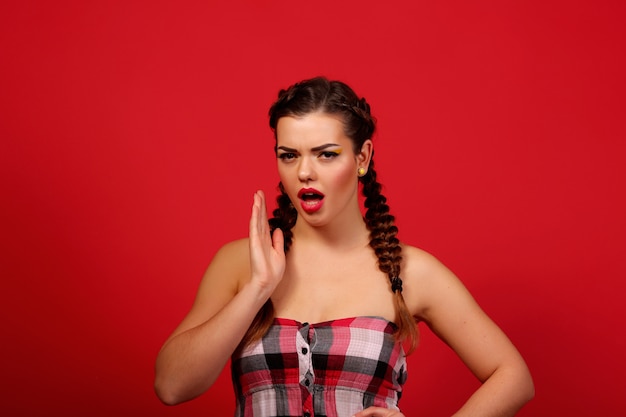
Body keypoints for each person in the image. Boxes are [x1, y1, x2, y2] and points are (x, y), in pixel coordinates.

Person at [154, 76, 534, 416]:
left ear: (362, 157)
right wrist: (257, 289)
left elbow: (513, 377)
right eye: (289, 155)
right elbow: (172, 387)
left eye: (326, 154)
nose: (304, 172)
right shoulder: (240, 263)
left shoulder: (408, 271)